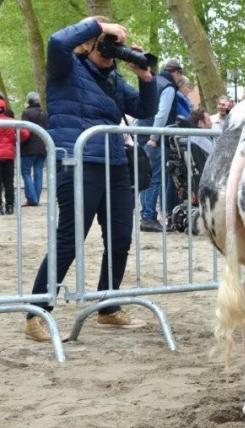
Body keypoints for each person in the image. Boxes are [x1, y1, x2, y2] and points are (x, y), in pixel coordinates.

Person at [24, 17, 157, 342]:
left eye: (116, 46)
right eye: (107, 43)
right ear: (89, 42)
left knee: (121, 238)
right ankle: (36, 313)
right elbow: (57, 40)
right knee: (70, 239)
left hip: (115, 164)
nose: (112, 50)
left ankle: (108, 307)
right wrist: (98, 25)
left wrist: (145, 78)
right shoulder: (65, 66)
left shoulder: (113, 80)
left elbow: (144, 109)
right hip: (77, 162)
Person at [136, 59, 184, 232]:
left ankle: (146, 216)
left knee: (147, 177)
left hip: (142, 134)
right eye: (180, 75)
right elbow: (162, 114)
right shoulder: (168, 87)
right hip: (155, 139)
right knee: (155, 178)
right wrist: (154, 137)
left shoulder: (152, 81)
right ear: (176, 72)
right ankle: (148, 217)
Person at [0, 99, 30, 215]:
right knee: (9, 182)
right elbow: (25, 133)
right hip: (9, 155)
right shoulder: (12, 122)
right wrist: (15, 140)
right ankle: (10, 205)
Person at [20, 92, 49, 207]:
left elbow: (24, 131)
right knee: (38, 172)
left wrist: (19, 142)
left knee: (26, 172)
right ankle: (36, 198)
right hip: (42, 147)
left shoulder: (26, 113)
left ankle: (32, 199)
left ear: (29, 101)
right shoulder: (45, 113)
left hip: (29, 147)